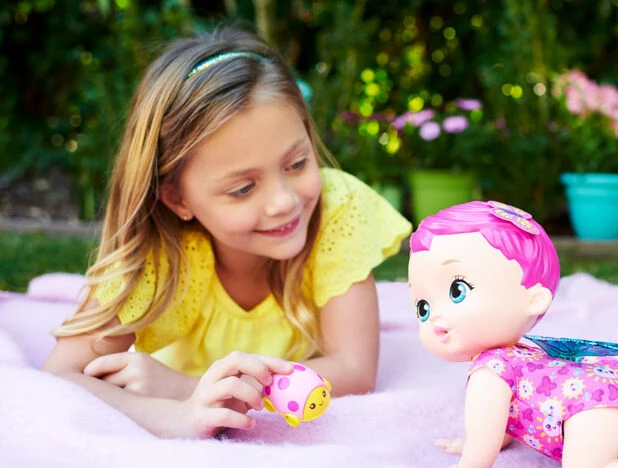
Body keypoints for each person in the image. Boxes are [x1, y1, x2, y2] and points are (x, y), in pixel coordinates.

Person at [43, 27, 411, 439]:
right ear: (177, 198)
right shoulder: (159, 258)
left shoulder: (336, 210)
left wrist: (186, 388)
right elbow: (60, 375)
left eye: (296, 164)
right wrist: (170, 416)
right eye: (242, 189)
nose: (283, 202)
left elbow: (355, 370)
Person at [407, 200, 618, 468]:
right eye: (423, 307)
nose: (435, 317)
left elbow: (482, 447)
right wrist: (473, 440)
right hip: (613, 392)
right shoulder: (523, 352)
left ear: (534, 300)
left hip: (588, 409)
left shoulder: (488, 373)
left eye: (457, 291)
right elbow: (497, 424)